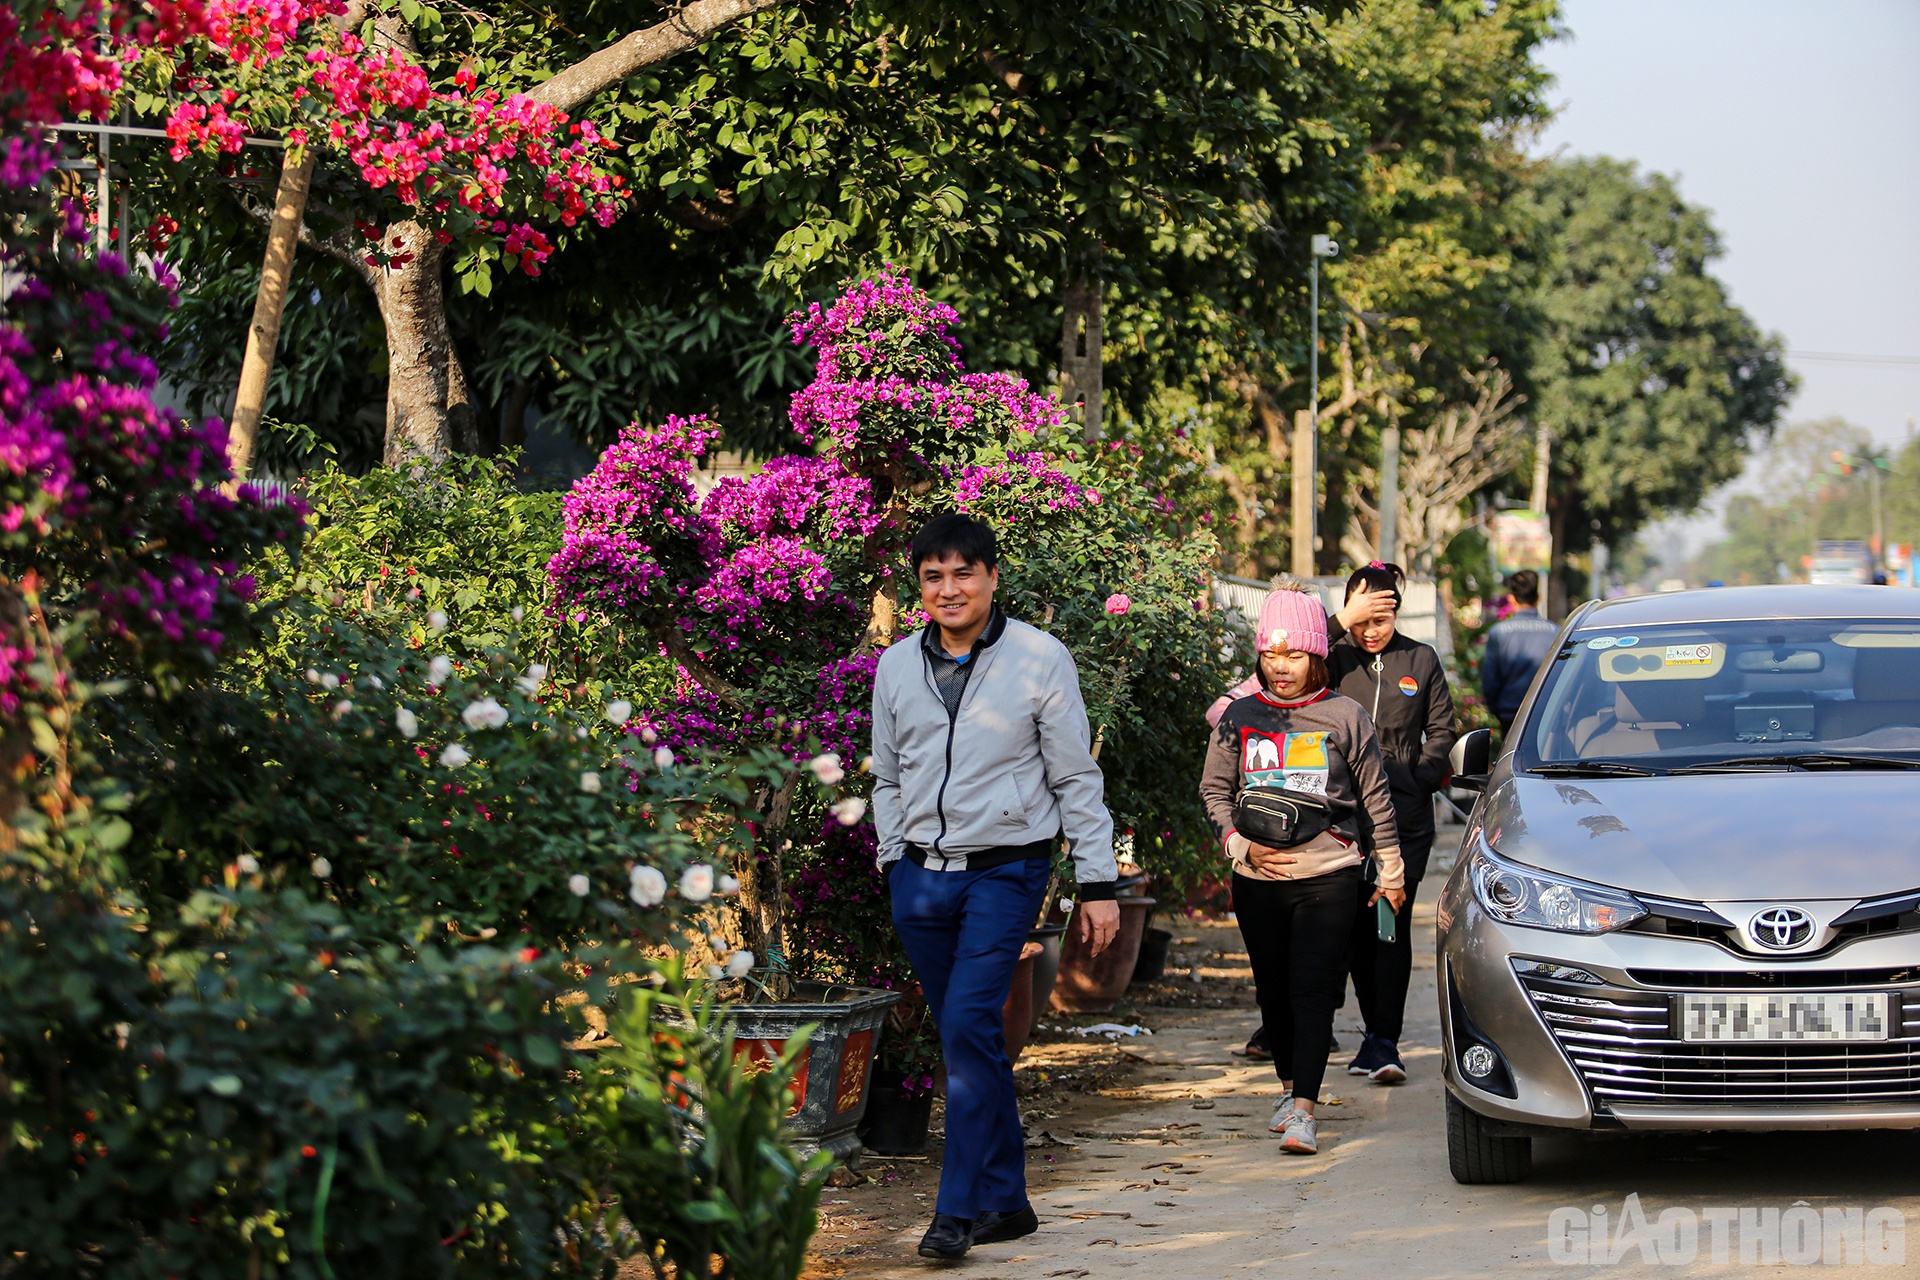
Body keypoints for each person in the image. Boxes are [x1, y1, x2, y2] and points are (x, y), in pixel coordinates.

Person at [871, 513, 1120, 1262]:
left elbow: (1075, 774)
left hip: (1007, 870)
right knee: (970, 1039)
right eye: (933, 577)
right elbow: (886, 774)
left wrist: (1099, 880)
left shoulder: (1039, 658)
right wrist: (892, 860)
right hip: (920, 879)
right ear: (920, 586)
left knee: (968, 1031)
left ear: (992, 578)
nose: (949, 590)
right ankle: (1008, 1201)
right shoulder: (894, 667)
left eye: (963, 573)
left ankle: (957, 1212)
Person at [1199, 585, 1404, 1157]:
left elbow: (1376, 801)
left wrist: (1390, 872)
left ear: (1317, 656)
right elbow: (1214, 790)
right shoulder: (1241, 716)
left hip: (1330, 874)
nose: (1281, 667)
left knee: (1312, 988)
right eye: (1271, 655)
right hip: (1257, 879)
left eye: (1294, 656)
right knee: (1274, 991)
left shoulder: (1346, 716)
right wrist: (1239, 844)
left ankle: (1306, 1110)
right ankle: (1289, 1090)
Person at [1325, 562, 1455, 1085]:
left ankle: (1385, 1041)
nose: (1373, 629)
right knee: (1355, 927)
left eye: (1384, 615)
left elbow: (1442, 730)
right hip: (1340, 817)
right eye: (1364, 617)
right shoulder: (1330, 660)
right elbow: (1269, 673)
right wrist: (1340, 622)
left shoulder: (1419, 659)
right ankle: (1371, 1036)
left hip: (1405, 819)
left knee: (1390, 924)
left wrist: (1415, 778)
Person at [1478, 568, 1558, 737]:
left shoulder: (1499, 633)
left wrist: (1497, 710)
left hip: (1510, 715)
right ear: (1539, 598)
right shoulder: (1556, 632)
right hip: (1547, 714)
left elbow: (1490, 681)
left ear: (1511, 599)